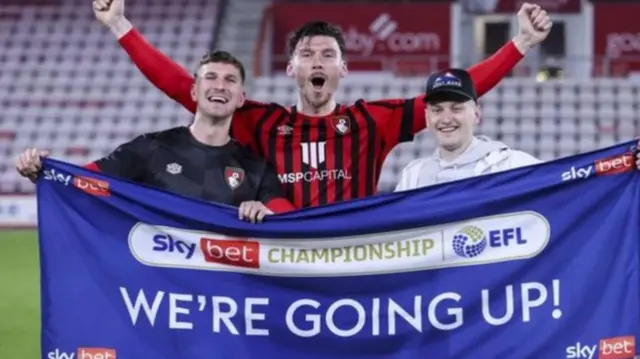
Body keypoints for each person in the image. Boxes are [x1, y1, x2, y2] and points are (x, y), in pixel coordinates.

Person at [91, 0, 553, 208]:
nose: (317, 61)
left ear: (342, 69)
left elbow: (453, 93)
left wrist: (521, 44)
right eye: (307, 54)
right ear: (291, 68)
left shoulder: (373, 121)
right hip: (279, 264)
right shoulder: (261, 121)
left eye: (327, 55)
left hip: (350, 263)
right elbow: (182, 86)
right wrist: (120, 26)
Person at [15, 51, 295, 223]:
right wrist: (44, 170)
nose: (219, 86)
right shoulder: (151, 148)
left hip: (222, 301)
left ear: (241, 98)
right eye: (210, 77)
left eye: (230, 80)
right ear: (194, 92)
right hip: (161, 298)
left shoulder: (255, 167)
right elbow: (85, 181)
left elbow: (287, 218)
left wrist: (268, 214)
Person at [395, 68, 542, 191]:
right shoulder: (412, 176)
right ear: (427, 119)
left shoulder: (511, 165)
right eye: (437, 110)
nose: (446, 119)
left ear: (476, 114)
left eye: (456, 108)